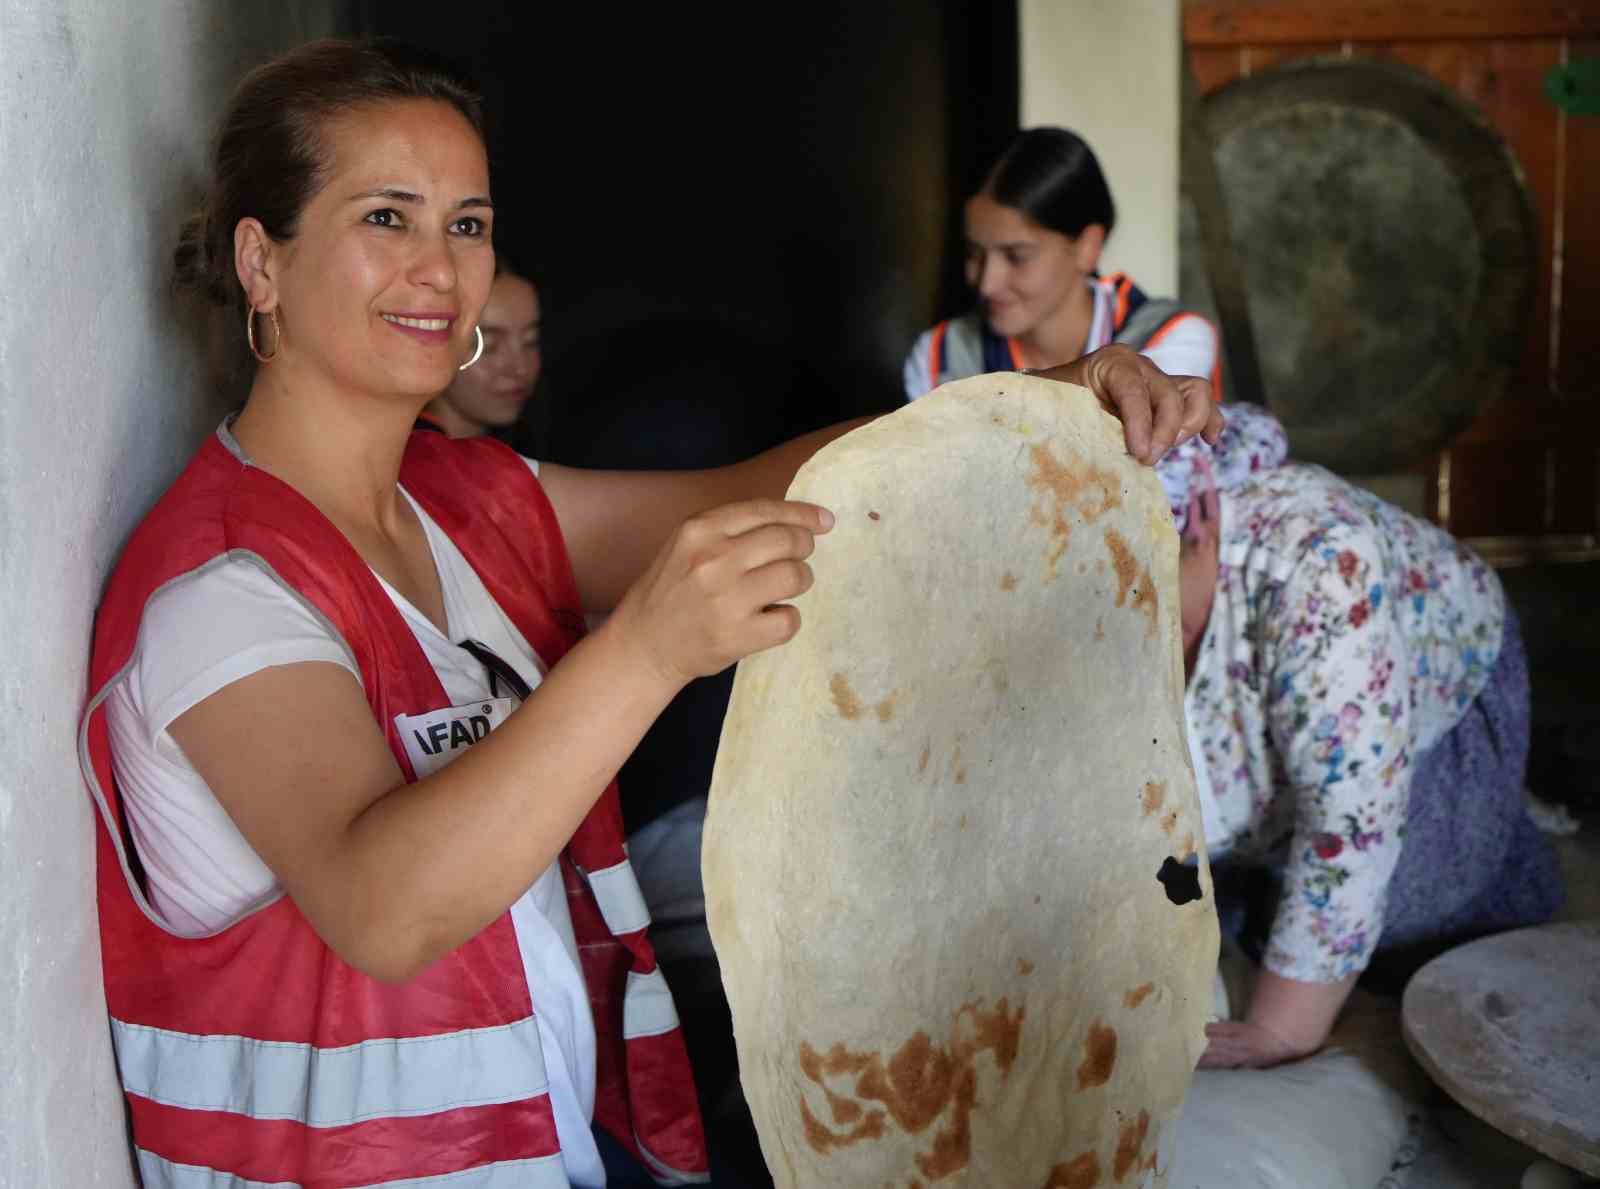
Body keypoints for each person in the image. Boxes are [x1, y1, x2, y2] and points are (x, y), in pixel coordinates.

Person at [79, 38, 1221, 1188]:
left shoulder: (465, 500)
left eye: (467, 225)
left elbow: (756, 491)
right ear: (259, 263)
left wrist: (1048, 399)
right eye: (388, 217)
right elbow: (386, 909)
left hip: (554, 1146)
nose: (438, 269)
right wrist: (646, 652)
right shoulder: (220, 588)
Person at [1174, 463, 1562, 1070]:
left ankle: (1506, 849)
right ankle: (1267, 872)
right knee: (1246, 906)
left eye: (1146, 608)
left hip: (1435, 702)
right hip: (1274, 739)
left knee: (1407, 918)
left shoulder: (1318, 565)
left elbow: (1352, 825)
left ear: (1199, 522)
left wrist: (1281, 1030)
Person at [904, 126, 1288, 532]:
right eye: (974, 254)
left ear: (1088, 246)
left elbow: (1123, 499)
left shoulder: (1171, 336)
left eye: (1016, 256)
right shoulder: (939, 357)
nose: (986, 282)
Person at [423, 262, 541, 437]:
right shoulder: (407, 456)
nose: (520, 368)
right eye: (488, 346)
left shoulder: (520, 445)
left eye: (531, 341)